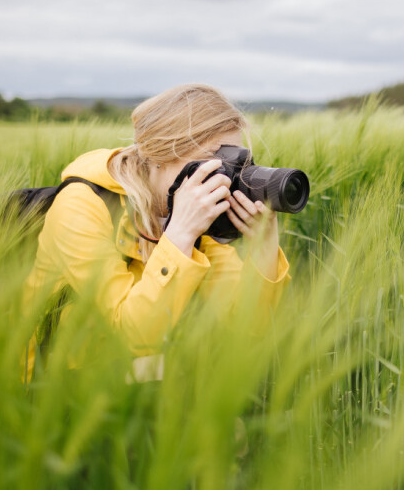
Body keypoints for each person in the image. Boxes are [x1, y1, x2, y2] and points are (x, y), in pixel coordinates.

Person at [22, 84, 290, 383]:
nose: (224, 177)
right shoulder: (81, 205)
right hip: (54, 384)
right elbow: (134, 335)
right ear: (159, 152)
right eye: (215, 160)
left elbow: (248, 325)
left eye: (235, 162)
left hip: (134, 377)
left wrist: (264, 248)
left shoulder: (189, 211)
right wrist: (180, 234)